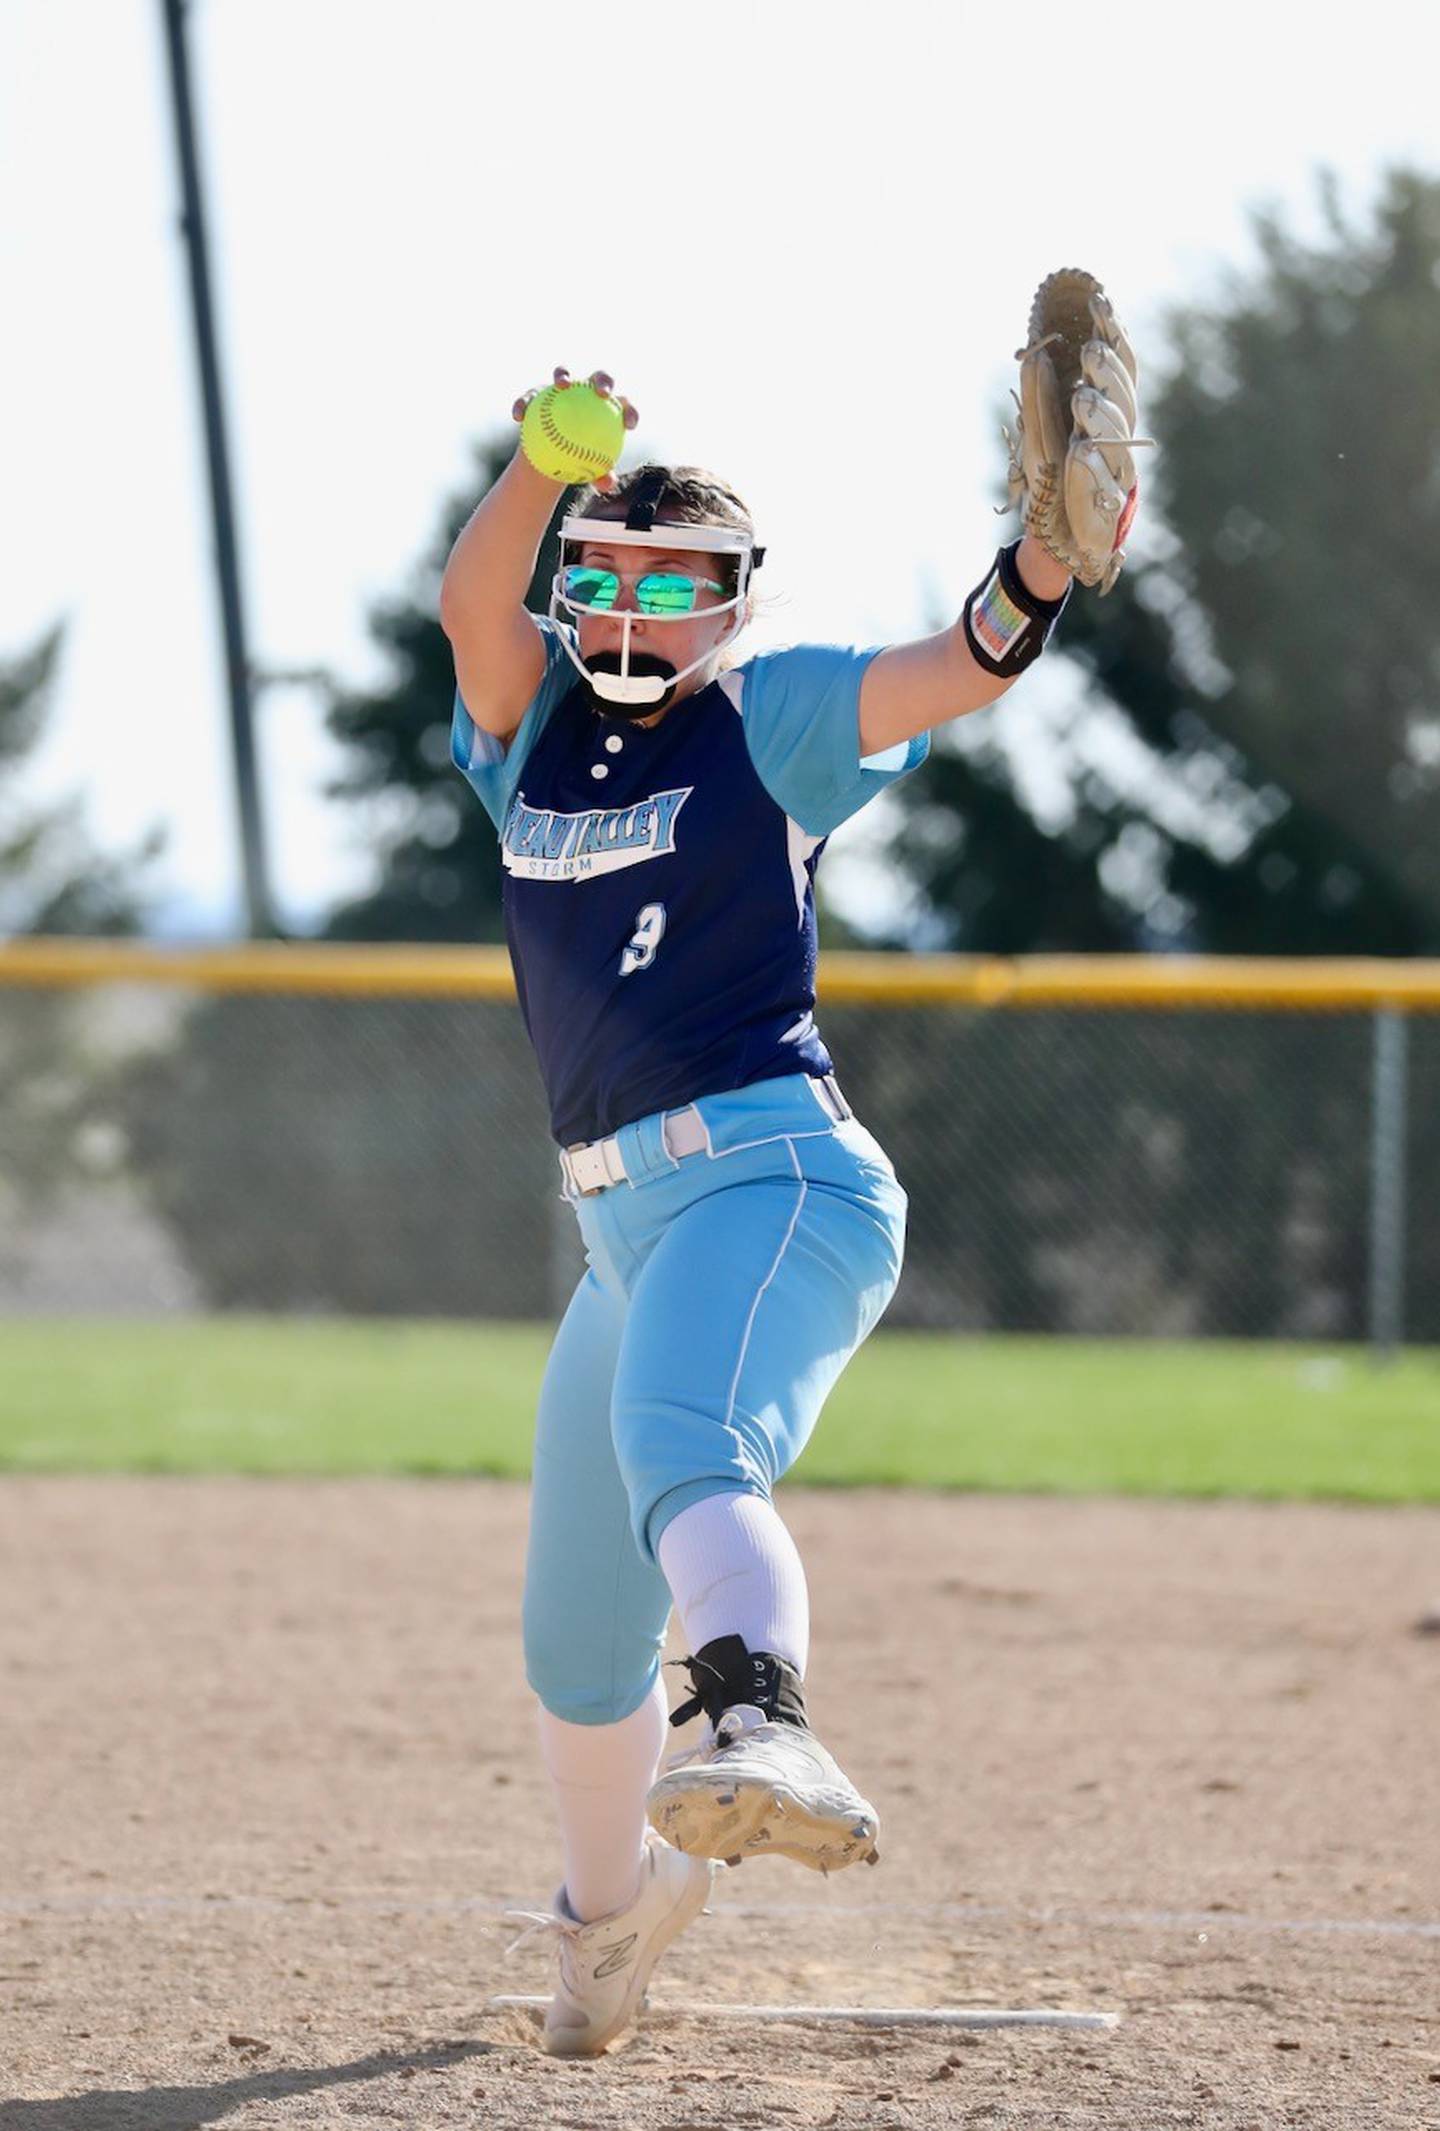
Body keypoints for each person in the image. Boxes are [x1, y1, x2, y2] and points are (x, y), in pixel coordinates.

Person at [440, 365, 1080, 2056]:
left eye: (678, 582)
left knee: (684, 1443)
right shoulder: (531, 745)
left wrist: (1043, 571)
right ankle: (605, 1925)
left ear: (730, 604)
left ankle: (763, 1723)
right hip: (618, 1235)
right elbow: (469, 604)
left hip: (772, 1176)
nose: (640, 609)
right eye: (609, 573)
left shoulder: (766, 714)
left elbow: (959, 667)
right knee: (574, 1636)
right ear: (572, 584)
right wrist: (537, 471)